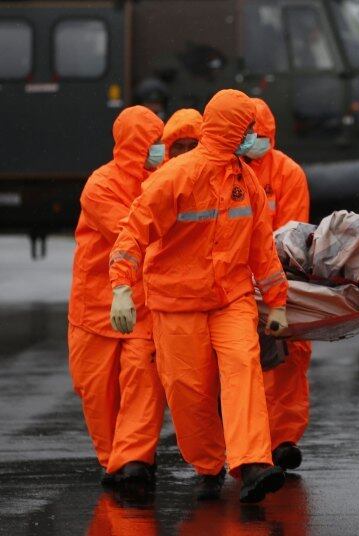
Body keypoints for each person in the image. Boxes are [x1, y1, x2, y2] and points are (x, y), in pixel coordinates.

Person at [108, 89, 289, 504]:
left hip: (231, 298)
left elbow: (262, 246)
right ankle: (208, 462)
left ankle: (253, 463)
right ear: (232, 129)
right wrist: (121, 287)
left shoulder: (246, 182)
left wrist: (276, 301)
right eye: (247, 128)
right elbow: (133, 232)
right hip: (177, 304)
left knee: (244, 368)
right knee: (188, 391)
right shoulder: (176, 177)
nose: (252, 136)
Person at [68, 105, 166, 488]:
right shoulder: (102, 185)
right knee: (96, 389)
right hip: (94, 306)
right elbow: (130, 232)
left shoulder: (163, 179)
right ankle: (114, 459)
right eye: (153, 142)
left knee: (143, 381)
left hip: (143, 304)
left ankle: (134, 461)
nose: (160, 150)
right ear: (135, 144)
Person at [244, 98, 312, 471]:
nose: (256, 140)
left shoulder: (287, 173)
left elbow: (293, 233)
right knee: (242, 367)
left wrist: (274, 289)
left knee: (289, 360)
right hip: (235, 284)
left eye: (262, 134)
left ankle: (283, 439)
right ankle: (248, 443)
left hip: (278, 281)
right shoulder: (226, 169)